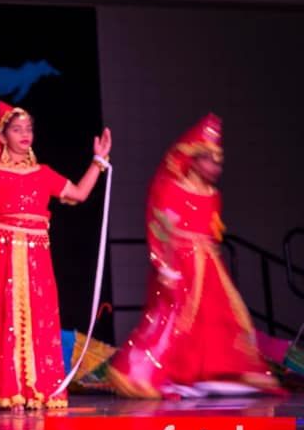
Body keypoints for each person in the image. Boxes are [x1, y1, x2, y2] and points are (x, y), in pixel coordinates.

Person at [107, 113, 282, 398]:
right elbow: (158, 226)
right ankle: (149, 373)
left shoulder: (213, 194)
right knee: (172, 319)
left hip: (208, 265)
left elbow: (211, 232)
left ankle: (209, 373)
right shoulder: (170, 187)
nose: (214, 168)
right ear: (193, 157)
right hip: (178, 263)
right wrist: (163, 265)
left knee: (218, 317)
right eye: (208, 160)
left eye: (218, 162)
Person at [0, 100, 111, 410]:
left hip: (36, 255)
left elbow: (78, 194)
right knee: (5, 315)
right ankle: (8, 390)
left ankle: (40, 388)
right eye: (17, 129)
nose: (25, 134)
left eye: (28, 129)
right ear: (2, 136)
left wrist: (98, 162)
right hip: (3, 251)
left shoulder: (42, 173)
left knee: (40, 315)